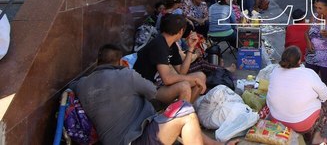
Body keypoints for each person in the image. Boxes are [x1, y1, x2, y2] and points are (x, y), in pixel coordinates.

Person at [73, 44, 229, 145]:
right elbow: (153, 93)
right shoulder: (127, 75)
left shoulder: (81, 84)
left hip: (122, 137)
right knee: (186, 113)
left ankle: (216, 144)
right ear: (120, 62)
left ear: (98, 61)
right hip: (135, 138)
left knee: (181, 113)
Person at [134, 14, 207, 104]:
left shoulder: (171, 45)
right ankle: (182, 115)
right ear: (181, 31)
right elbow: (167, 79)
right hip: (147, 89)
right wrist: (193, 80)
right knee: (184, 86)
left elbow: (182, 71)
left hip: (159, 84)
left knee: (201, 76)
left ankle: (187, 109)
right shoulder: (159, 45)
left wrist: (191, 48)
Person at [267, 46, 327, 145]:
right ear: (299, 61)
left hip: (276, 121)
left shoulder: (275, 71)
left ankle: (303, 134)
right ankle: (316, 137)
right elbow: (325, 95)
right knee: (326, 107)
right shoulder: (309, 73)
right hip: (301, 125)